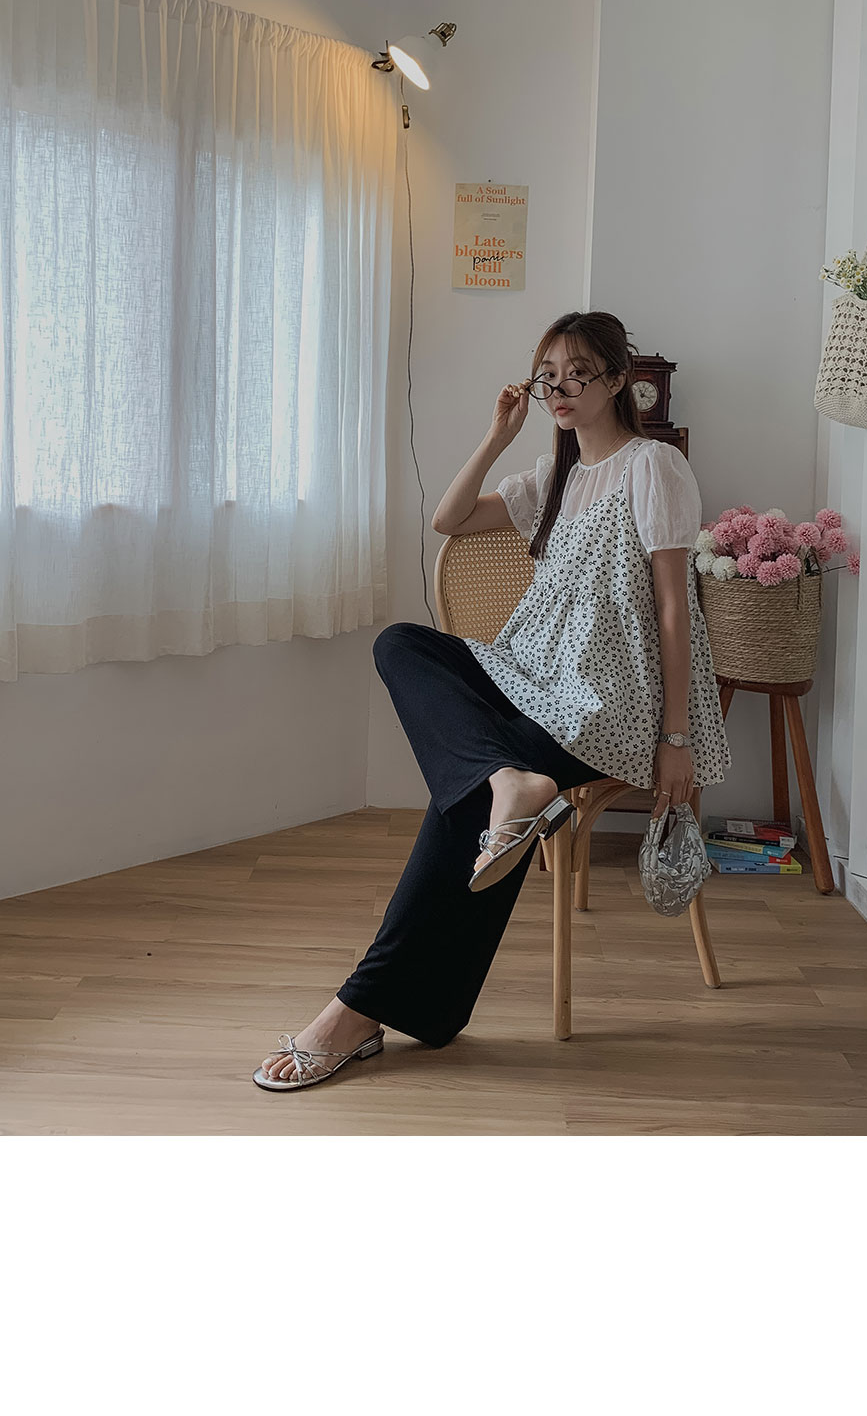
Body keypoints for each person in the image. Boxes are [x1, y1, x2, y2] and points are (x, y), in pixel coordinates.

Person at [252, 310, 731, 1091]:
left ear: (618, 379)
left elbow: (677, 610)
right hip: (527, 672)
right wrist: (497, 435)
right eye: (549, 377)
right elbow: (448, 519)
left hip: (607, 702)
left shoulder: (655, 467)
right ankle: (508, 786)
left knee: (465, 797)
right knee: (400, 644)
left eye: (578, 374)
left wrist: (674, 737)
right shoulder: (553, 477)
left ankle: (358, 1010)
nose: (560, 389)